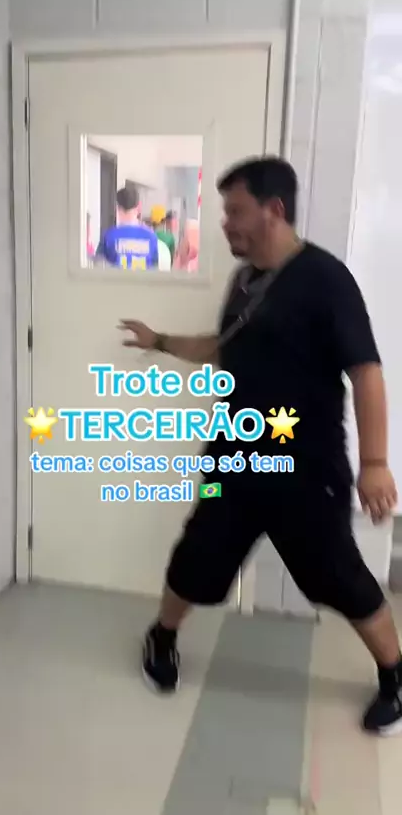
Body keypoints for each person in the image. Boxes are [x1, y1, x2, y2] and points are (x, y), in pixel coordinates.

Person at [118, 156, 402, 736]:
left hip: (307, 468)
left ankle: (396, 675)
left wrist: (375, 463)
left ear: (274, 210)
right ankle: (162, 637)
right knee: (198, 555)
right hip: (235, 458)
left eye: (235, 211)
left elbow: (367, 372)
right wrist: (161, 340)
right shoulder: (244, 280)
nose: (225, 223)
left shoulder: (326, 279)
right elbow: (224, 347)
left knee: (339, 575)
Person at [95, 186, 160, 270]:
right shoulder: (151, 237)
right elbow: (155, 269)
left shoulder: (108, 236)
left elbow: (98, 266)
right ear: (139, 206)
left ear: (117, 207)